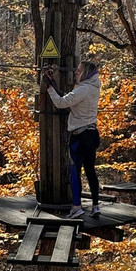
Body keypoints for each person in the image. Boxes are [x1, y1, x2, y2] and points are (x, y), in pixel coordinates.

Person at [43, 60, 101, 218]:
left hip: (80, 137)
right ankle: (95, 206)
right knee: (90, 170)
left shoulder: (83, 89)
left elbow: (61, 103)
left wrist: (49, 87)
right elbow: (70, 98)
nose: (76, 72)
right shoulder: (93, 87)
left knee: (75, 171)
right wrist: (54, 84)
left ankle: (77, 207)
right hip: (92, 134)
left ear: (85, 73)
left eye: (79, 70)